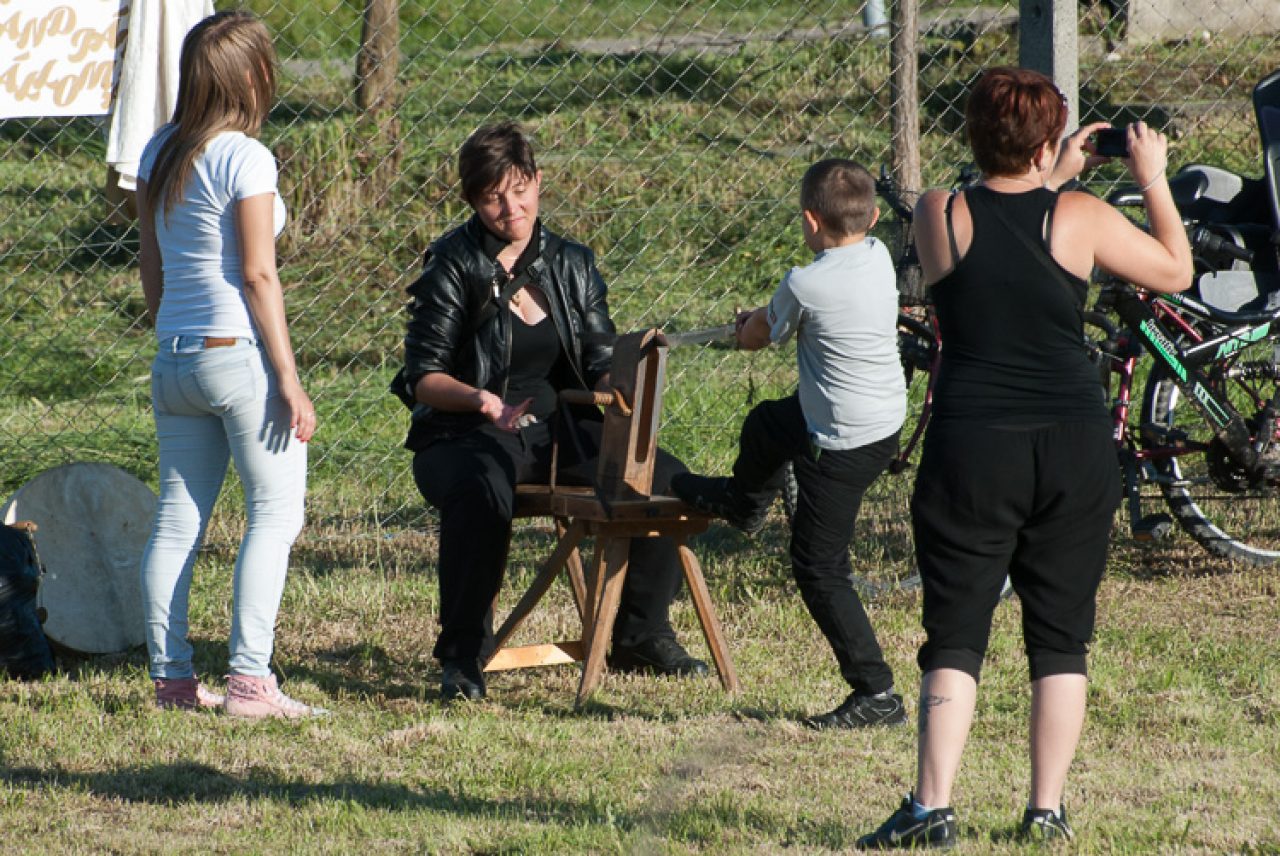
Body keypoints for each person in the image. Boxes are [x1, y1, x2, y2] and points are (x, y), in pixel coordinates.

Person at [857, 67, 1192, 848]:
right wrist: (1151, 176)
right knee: (1060, 635)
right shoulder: (1082, 217)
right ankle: (1046, 811)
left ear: (974, 137)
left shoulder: (939, 212)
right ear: (1047, 145)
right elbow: (1176, 271)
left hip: (973, 443)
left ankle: (931, 807)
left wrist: (1048, 171)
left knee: (956, 630)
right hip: (1072, 444)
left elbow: (1000, 224)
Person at [395, 121, 710, 702]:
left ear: (538, 181)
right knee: (481, 491)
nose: (510, 209)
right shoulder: (452, 265)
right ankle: (463, 656)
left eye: (520, 190)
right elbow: (424, 378)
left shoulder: (573, 263)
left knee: (664, 476)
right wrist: (482, 400)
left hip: (561, 430)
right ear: (472, 200)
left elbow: (597, 363)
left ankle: (639, 636)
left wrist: (627, 373)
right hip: (464, 433)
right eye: (492, 198)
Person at [671, 159, 908, 729]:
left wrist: (750, 323)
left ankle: (876, 693)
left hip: (842, 441)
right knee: (767, 424)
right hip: (883, 420)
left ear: (810, 220)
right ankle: (744, 504)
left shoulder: (805, 283)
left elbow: (758, 337)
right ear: (873, 217)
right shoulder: (879, 255)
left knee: (818, 565)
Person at [136, 11, 326, 719]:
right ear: (251, 75)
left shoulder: (160, 151)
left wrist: (171, 329)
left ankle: (172, 683)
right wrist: (289, 380)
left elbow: (151, 264)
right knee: (274, 515)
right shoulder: (245, 156)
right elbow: (257, 274)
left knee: (176, 521)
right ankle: (250, 681)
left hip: (174, 358)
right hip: (235, 357)